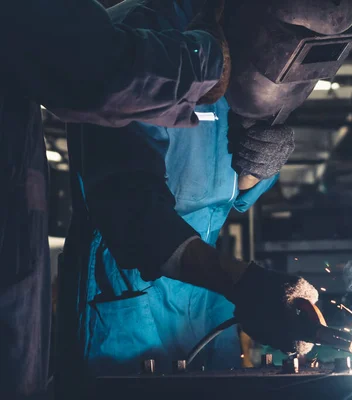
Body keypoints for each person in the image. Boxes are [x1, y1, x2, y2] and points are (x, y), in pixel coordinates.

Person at [61, 0, 352, 383]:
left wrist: (258, 166)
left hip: (207, 302)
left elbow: (230, 196)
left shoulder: (246, 38)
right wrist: (246, 283)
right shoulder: (144, 40)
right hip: (128, 301)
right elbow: (133, 212)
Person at [0, 0, 234, 397]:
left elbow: (231, 187)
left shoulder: (222, 36)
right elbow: (91, 67)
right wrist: (206, 56)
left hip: (203, 298)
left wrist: (264, 158)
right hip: (126, 299)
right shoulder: (145, 26)